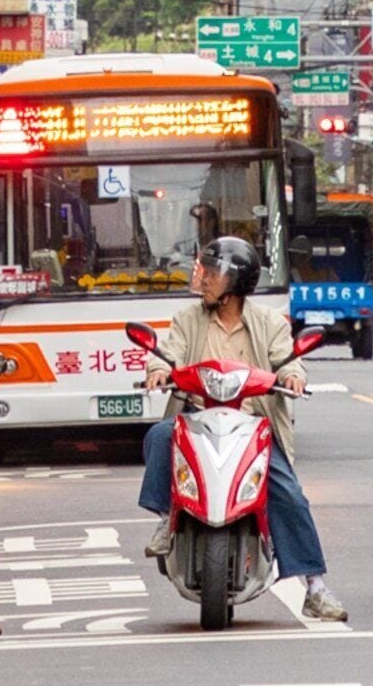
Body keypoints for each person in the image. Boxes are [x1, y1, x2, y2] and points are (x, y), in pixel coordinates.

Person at [136, 236, 346, 622]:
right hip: (197, 421)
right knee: (160, 435)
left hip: (253, 429)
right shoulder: (188, 319)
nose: (204, 280)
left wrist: (293, 376)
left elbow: (289, 361)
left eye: (213, 273)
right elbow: (169, 353)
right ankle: (168, 520)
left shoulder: (268, 323)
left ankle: (314, 586)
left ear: (234, 282)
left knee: (289, 494)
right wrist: (159, 371)